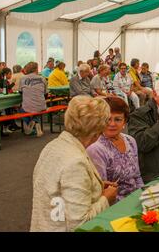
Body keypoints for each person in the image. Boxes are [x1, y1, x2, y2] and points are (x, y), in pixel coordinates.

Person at [31, 96, 117, 231]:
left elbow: (58, 190)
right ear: (97, 131)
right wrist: (106, 198)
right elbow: (80, 225)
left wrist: (95, 186)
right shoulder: (75, 162)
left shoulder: (53, 146)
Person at [87, 97, 144, 202]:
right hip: (115, 204)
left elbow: (137, 176)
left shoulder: (130, 141)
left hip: (137, 198)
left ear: (125, 122)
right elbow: (101, 191)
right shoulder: (96, 148)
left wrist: (144, 196)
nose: (112, 124)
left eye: (118, 119)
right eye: (108, 119)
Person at [20, 62, 47, 137]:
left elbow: (20, 92)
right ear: (36, 69)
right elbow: (46, 93)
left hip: (28, 106)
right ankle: (35, 121)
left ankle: (31, 123)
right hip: (41, 106)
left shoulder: (22, 79)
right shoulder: (42, 78)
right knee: (38, 108)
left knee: (22, 110)